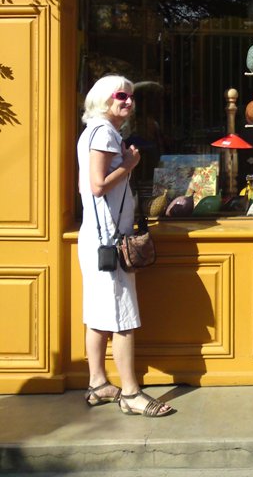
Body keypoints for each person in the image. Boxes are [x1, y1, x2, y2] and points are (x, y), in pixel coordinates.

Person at [77, 74, 173, 417]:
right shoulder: (103, 132)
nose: (128, 102)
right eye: (122, 96)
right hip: (110, 242)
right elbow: (98, 184)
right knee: (123, 318)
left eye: (131, 96)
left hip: (97, 239)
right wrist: (130, 166)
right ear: (104, 98)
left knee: (98, 317)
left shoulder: (96, 131)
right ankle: (131, 393)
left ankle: (98, 383)